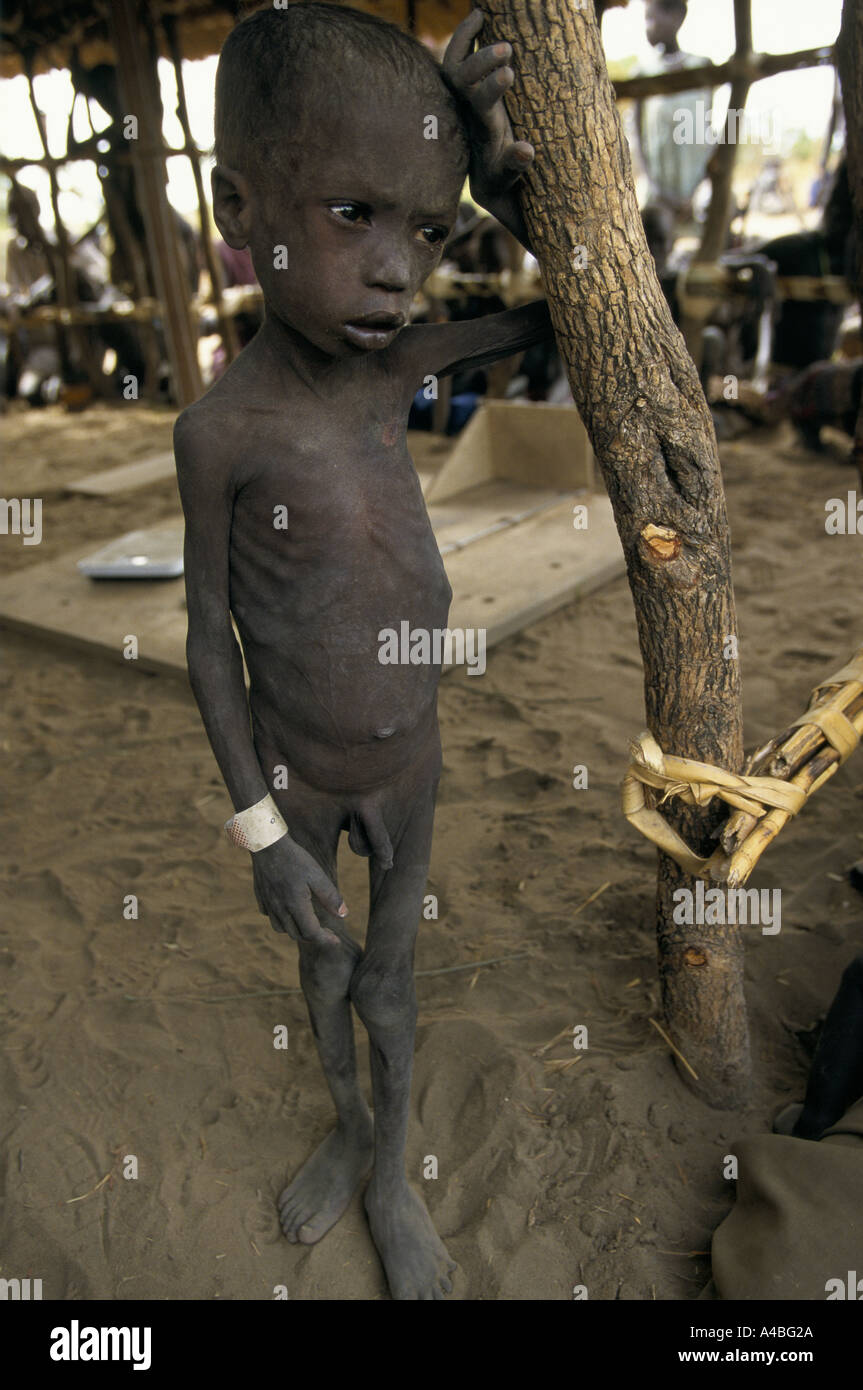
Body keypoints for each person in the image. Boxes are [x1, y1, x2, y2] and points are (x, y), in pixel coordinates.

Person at [174, 4, 553, 1300]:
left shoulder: (398, 371)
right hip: (296, 776)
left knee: (387, 983)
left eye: (428, 229)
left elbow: (567, 317)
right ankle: (347, 1130)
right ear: (241, 205)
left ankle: (388, 1177)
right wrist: (262, 838)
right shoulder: (221, 432)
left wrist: (494, 186)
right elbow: (206, 643)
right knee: (322, 968)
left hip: (409, 765)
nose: (400, 272)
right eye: (353, 215)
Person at [635, 0, 713, 226]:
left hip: (694, 195)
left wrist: (696, 192)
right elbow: (638, 137)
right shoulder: (643, 74)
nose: (648, 27)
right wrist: (656, 188)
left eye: (651, 18)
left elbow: (706, 131)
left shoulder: (703, 68)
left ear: (678, 16)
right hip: (658, 194)